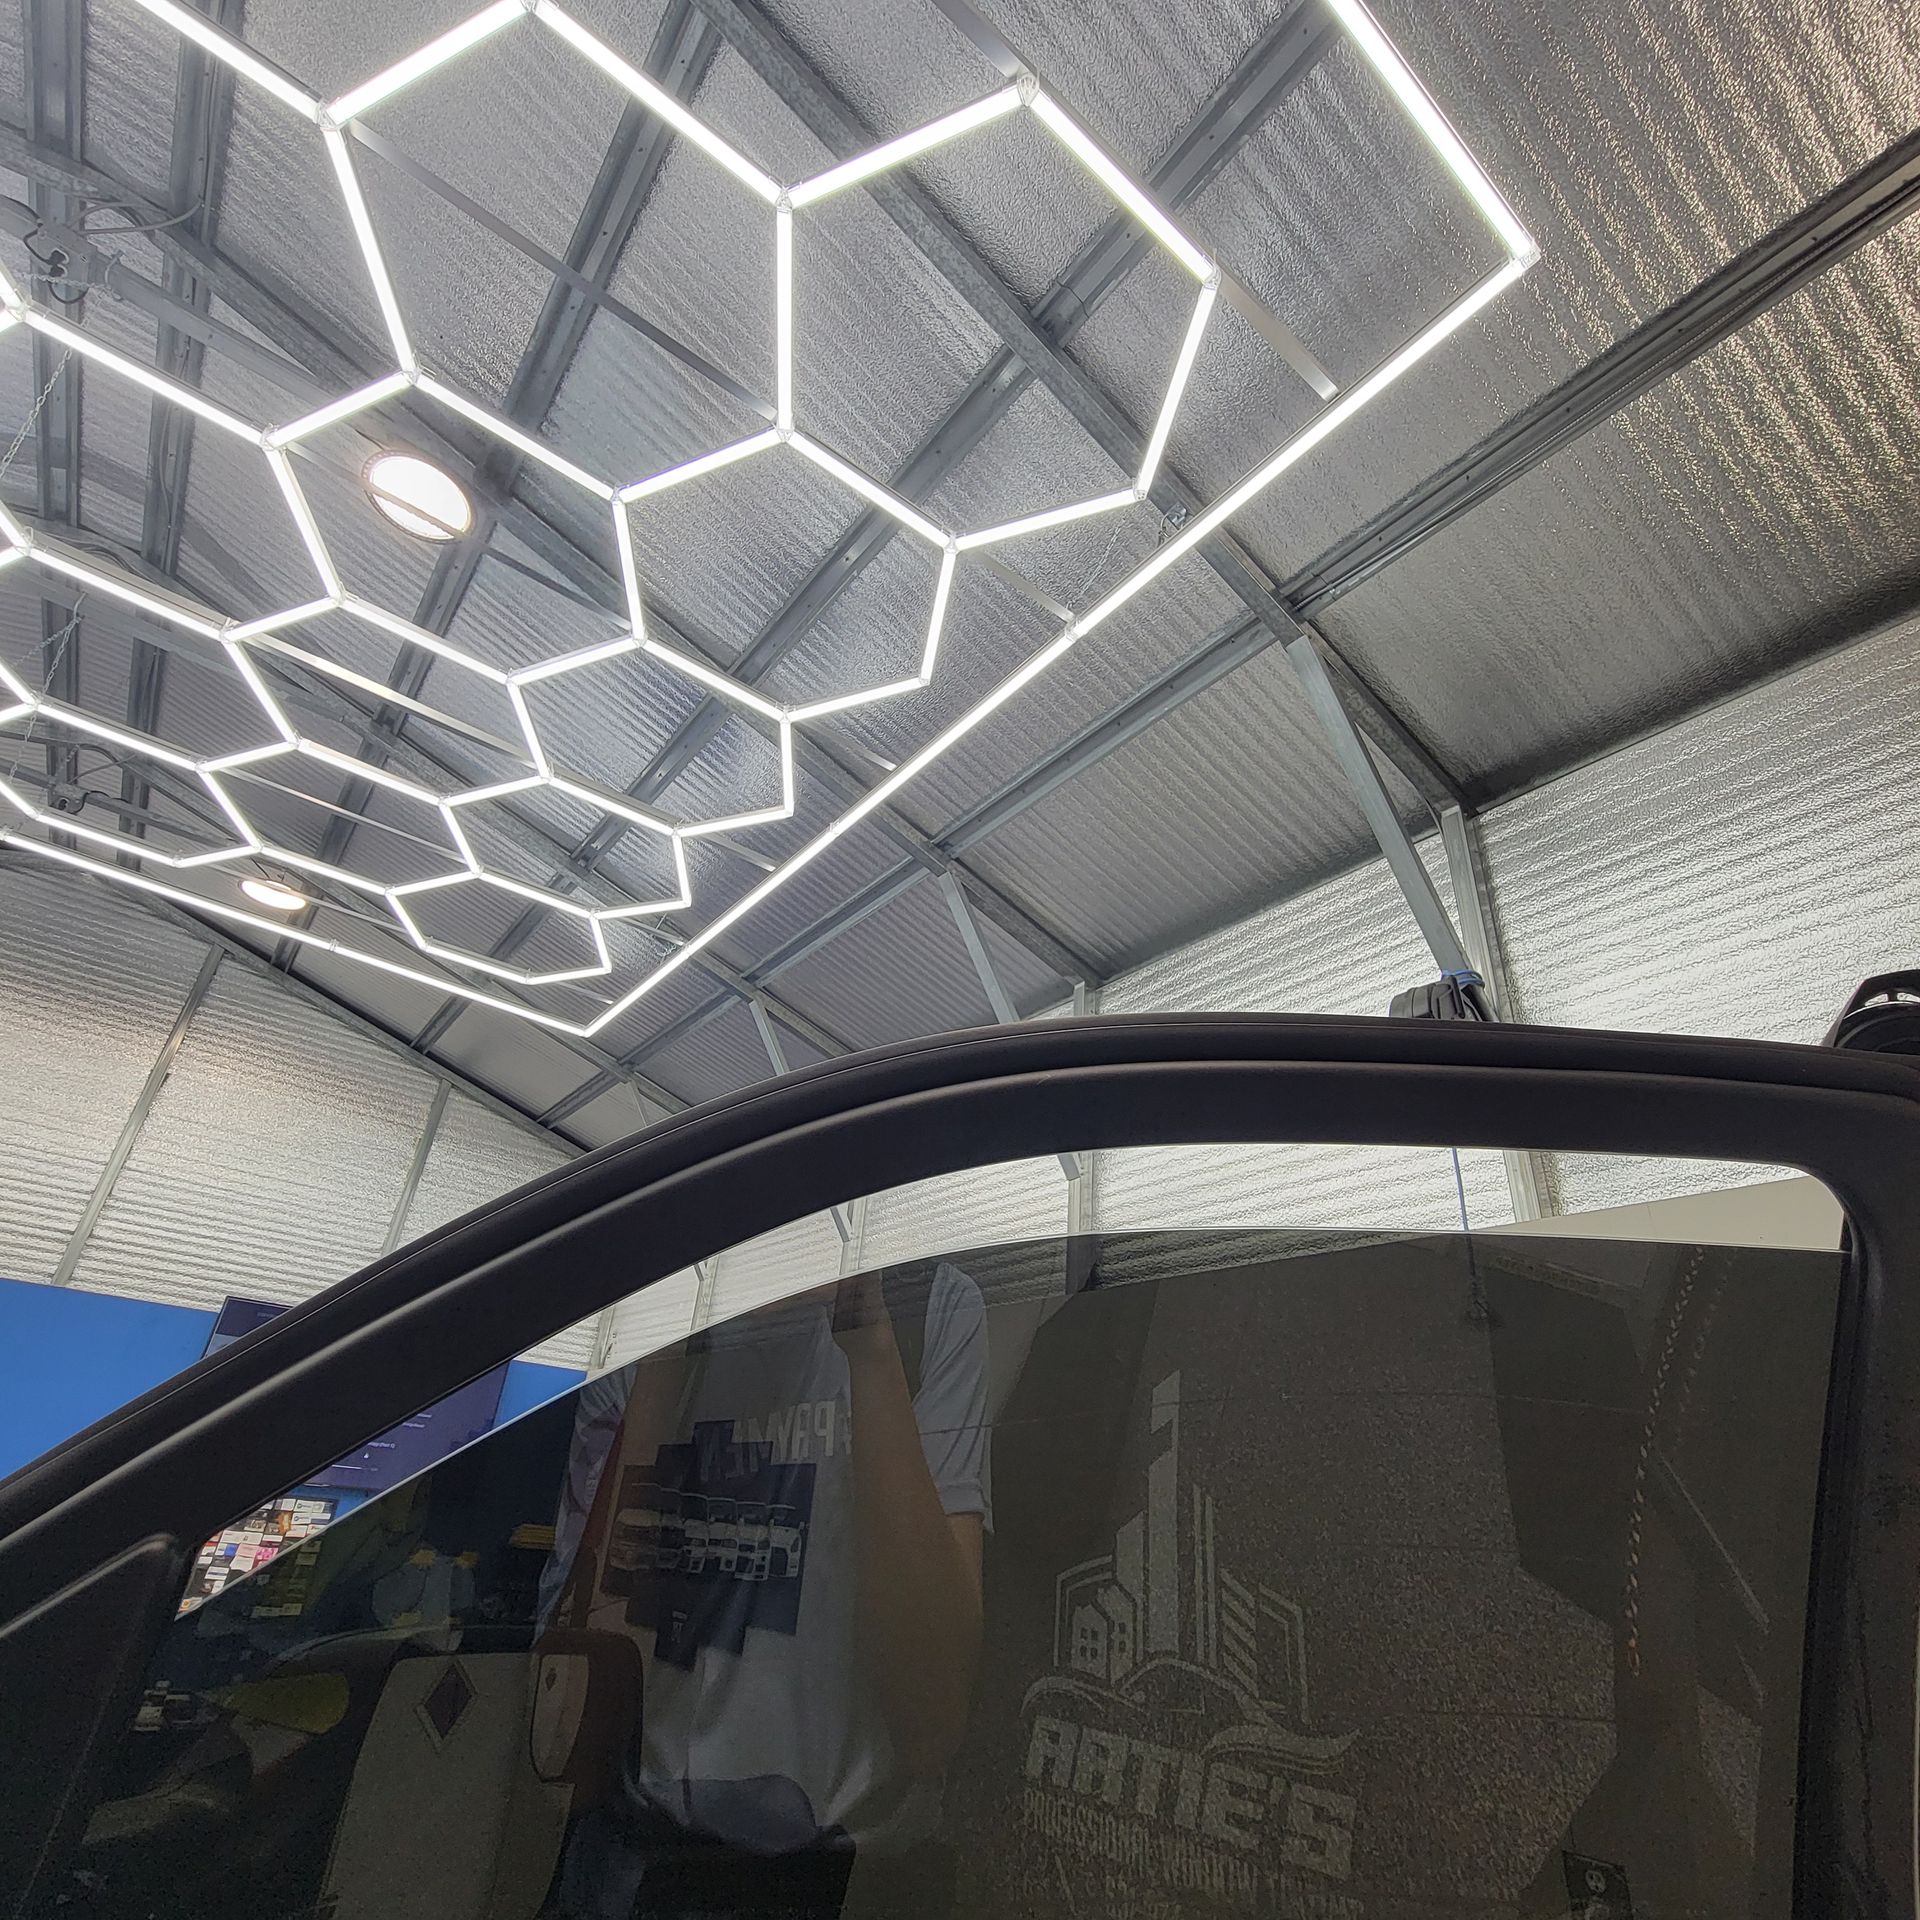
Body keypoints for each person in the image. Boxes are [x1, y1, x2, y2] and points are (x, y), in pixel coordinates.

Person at [540, 1261, 991, 1919]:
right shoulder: (635, 1330)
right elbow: (569, 1735)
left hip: (825, 1880)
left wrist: (870, 1345)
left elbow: (932, 1725)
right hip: (627, 1862)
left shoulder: (930, 1304)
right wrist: (662, 1360)